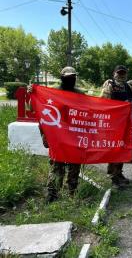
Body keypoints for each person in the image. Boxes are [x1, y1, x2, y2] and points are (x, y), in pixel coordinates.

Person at [36, 66, 82, 202]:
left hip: (74, 136)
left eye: (72, 77)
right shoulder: (52, 93)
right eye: (67, 77)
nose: (70, 79)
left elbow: (89, 114)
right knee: (57, 166)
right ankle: (52, 195)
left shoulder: (80, 95)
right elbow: (42, 114)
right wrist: (44, 135)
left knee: (74, 166)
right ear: (62, 78)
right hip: (57, 137)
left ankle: (72, 193)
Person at [100, 65, 132, 189]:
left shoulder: (128, 86)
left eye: (123, 73)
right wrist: (122, 105)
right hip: (113, 124)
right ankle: (113, 176)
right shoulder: (109, 84)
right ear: (114, 73)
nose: (121, 75)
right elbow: (104, 102)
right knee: (114, 149)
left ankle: (119, 172)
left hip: (126, 123)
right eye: (119, 73)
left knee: (122, 148)